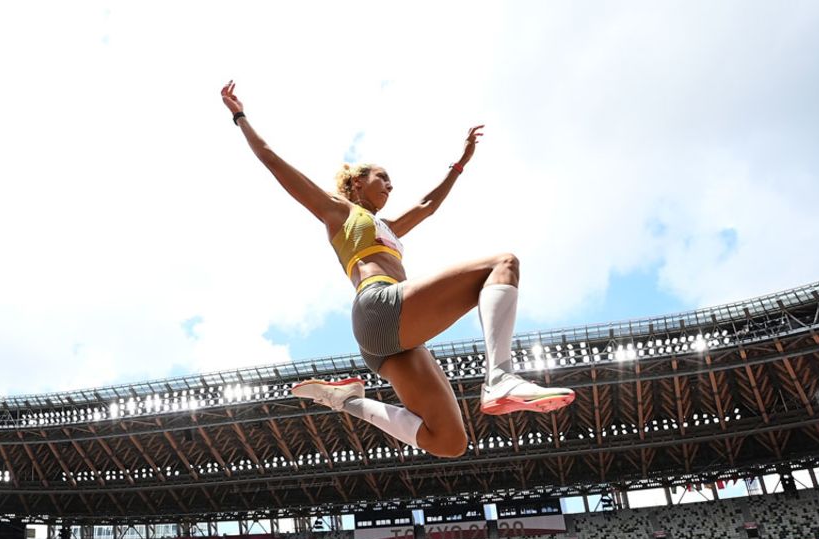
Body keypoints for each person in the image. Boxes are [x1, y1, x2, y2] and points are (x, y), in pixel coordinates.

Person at [221, 82, 575, 459]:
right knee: (502, 264)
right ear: (357, 183)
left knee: (449, 442)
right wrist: (240, 116)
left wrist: (460, 164)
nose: (390, 185)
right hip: (379, 304)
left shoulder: (387, 226)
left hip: (387, 341)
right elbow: (272, 158)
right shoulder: (339, 212)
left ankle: (345, 401)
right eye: (382, 177)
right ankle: (501, 376)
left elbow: (426, 205)